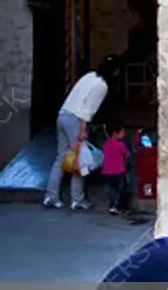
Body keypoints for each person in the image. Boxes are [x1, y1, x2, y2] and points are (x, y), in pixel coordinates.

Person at [43, 55, 122, 211]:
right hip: (75, 121)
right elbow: (87, 110)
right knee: (81, 161)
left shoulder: (89, 75)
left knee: (61, 157)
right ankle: (77, 199)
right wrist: (82, 131)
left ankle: (51, 196)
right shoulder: (102, 86)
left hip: (63, 115)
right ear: (114, 72)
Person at [102, 124, 130, 216]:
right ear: (115, 133)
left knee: (111, 189)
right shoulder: (120, 145)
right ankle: (117, 207)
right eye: (122, 132)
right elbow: (127, 155)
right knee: (120, 189)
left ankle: (112, 206)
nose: (124, 134)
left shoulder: (106, 144)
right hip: (118, 171)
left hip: (107, 171)